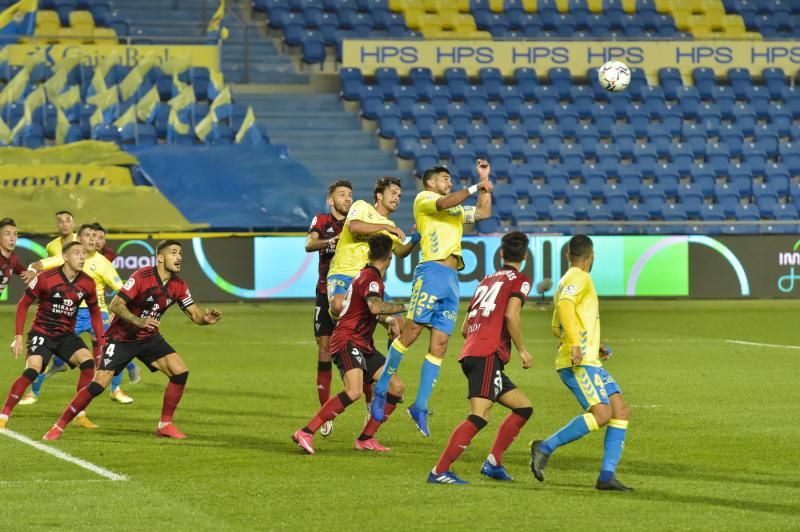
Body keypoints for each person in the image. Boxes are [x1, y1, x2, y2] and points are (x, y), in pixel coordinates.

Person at [42, 240, 223, 440]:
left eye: (180, 253)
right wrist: (138, 321)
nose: (179, 257)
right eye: (173, 253)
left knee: (180, 372)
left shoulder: (178, 285)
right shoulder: (142, 276)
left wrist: (205, 320)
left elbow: (195, 314)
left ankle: (165, 425)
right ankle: (58, 426)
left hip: (148, 338)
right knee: (98, 385)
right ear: (161, 258)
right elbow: (116, 304)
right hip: (121, 338)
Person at [372, 160, 494, 437]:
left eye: (450, 179)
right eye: (443, 178)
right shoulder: (425, 199)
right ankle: (380, 389)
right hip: (432, 272)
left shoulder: (456, 211)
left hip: (452, 280)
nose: (448, 182)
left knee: (440, 343)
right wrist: (475, 186)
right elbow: (444, 203)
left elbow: (484, 212)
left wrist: (484, 180)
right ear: (430, 183)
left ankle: (420, 406)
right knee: (411, 331)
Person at [428, 232, 534, 484]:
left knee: (523, 407)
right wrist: (521, 350)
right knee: (480, 415)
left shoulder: (486, 280)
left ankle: (494, 463)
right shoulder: (520, 280)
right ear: (525, 255)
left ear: (501, 254)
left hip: (475, 351)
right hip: (487, 354)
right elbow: (511, 315)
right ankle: (439, 471)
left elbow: (465, 327)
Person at [530, 235, 633, 492]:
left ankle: (606, 476)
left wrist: (591, 343)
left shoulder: (566, 280)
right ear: (592, 256)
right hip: (578, 360)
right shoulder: (580, 277)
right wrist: (576, 344)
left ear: (568, 255)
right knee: (601, 414)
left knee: (620, 409)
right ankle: (545, 447)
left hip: (589, 358)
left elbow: (557, 325)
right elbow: (565, 307)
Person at [292, 234, 407, 455]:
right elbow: (375, 307)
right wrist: (404, 307)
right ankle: (306, 432)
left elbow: (367, 310)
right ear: (390, 256)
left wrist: (390, 319)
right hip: (347, 340)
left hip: (363, 344)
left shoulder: (366, 276)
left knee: (396, 387)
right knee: (354, 391)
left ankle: (366, 438)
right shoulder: (371, 279)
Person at [22, 224, 139, 408]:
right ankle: (34, 392)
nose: (93, 239)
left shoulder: (104, 263)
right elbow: (39, 264)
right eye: (88, 236)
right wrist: (32, 270)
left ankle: (115, 390)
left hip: (96, 314)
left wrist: (116, 310)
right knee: (49, 352)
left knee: (114, 350)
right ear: (79, 239)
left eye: (95, 236)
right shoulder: (66, 257)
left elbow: (122, 290)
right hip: (70, 314)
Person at [0, 242, 104, 429]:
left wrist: (101, 341)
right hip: (42, 333)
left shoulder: (87, 282)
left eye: (83, 254)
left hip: (66, 336)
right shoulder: (45, 278)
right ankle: (4, 415)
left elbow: (95, 312)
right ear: (65, 257)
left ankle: (80, 414)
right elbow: (23, 305)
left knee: (88, 363)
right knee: (33, 370)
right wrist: (18, 337)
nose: (82, 257)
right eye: (76, 253)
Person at [325, 176, 417, 320]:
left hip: (368, 281)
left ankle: (366, 316)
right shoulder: (362, 206)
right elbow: (353, 227)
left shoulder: (391, 225)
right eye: (393, 193)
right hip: (343, 273)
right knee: (337, 305)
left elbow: (400, 252)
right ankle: (344, 318)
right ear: (379, 195)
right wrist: (384, 227)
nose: (397, 198)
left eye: (399, 195)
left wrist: (415, 239)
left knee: (398, 322)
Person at [305, 179, 352, 438]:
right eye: (342, 194)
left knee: (359, 347)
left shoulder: (356, 222)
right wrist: (329, 242)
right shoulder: (323, 220)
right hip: (325, 292)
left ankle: (368, 406)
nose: (347, 198)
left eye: (350, 195)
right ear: (331, 200)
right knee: (323, 349)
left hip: (351, 295)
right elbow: (308, 244)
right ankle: (324, 413)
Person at [0, 218, 25, 298]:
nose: (12, 238)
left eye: (15, 234)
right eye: (7, 234)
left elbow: (25, 273)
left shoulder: (13, 259)